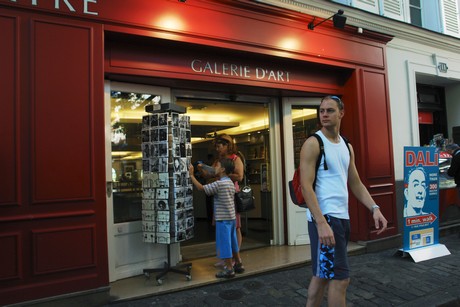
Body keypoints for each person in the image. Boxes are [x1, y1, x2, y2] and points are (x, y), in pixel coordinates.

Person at [299, 95, 388, 307]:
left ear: (341, 113)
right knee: (340, 278)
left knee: (322, 275)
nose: (325, 115)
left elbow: (356, 183)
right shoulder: (313, 143)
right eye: (322, 111)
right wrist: (321, 223)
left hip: (341, 217)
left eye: (330, 110)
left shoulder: (346, 146)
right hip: (326, 218)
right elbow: (306, 186)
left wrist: (374, 208)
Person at [189, 158, 245, 278]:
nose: (215, 168)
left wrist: (191, 176)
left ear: (223, 169)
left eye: (217, 166)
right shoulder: (230, 182)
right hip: (231, 218)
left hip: (223, 220)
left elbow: (201, 188)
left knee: (225, 244)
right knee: (233, 242)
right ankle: (239, 263)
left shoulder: (219, 184)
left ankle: (229, 269)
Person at [198, 134, 245, 267]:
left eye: (219, 146)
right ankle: (228, 258)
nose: (217, 150)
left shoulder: (235, 159)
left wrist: (222, 175)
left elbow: (240, 176)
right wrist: (203, 169)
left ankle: (234, 258)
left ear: (227, 146)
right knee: (225, 228)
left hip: (231, 196)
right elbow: (210, 173)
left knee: (235, 227)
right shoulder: (219, 159)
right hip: (221, 195)